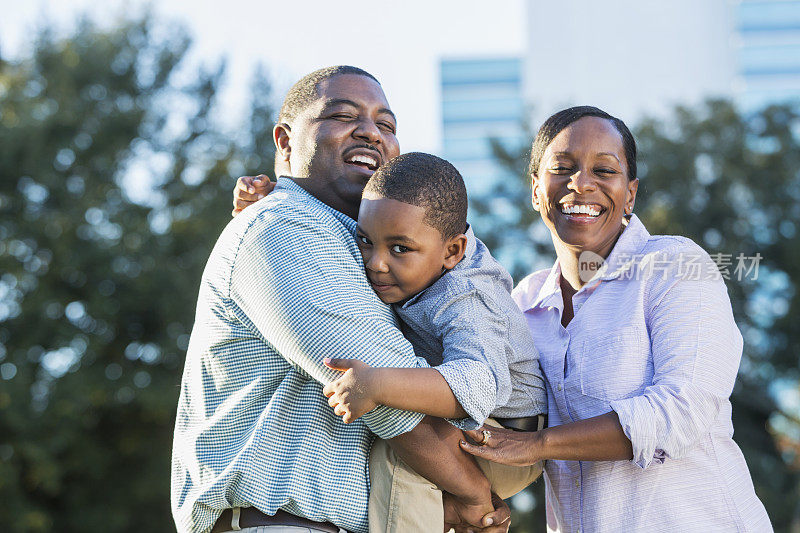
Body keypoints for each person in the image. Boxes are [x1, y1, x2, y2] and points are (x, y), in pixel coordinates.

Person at [171, 66, 510, 533]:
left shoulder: (359, 245)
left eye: (386, 125)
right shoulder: (286, 230)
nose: (371, 132)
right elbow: (392, 399)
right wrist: (476, 498)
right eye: (344, 115)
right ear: (285, 142)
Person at [455, 106, 773, 532]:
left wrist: (539, 445)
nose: (581, 183)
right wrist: (483, 502)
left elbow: (681, 411)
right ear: (535, 189)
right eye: (562, 167)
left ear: (630, 194)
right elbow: (500, 415)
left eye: (604, 170)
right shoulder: (521, 304)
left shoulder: (673, 266)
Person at [315, 151, 548, 531]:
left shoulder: (466, 297)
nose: (375, 262)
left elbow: (478, 383)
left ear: (452, 251)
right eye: (365, 241)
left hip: (505, 437)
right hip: (479, 428)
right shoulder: (421, 259)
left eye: (399, 248)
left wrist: (377, 384)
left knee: (401, 455)